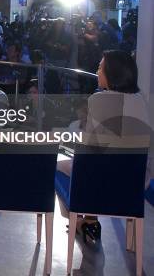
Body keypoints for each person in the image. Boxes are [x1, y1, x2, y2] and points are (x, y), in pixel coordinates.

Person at [56, 51, 151, 242]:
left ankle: (81, 220)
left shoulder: (98, 100)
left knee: (58, 167)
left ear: (112, 72)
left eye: (100, 67)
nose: (97, 71)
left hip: (100, 185)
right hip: (136, 183)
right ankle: (90, 222)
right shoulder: (142, 101)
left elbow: (92, 149)